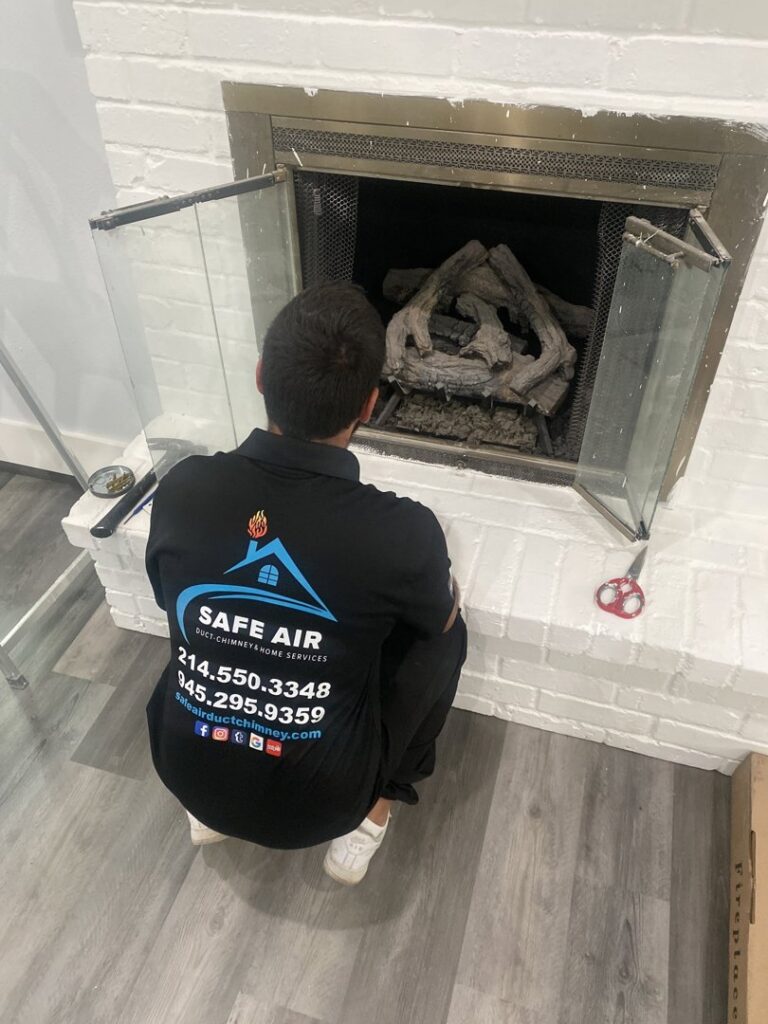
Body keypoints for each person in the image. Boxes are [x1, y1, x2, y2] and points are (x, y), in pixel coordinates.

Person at [145, 281, 466, 885]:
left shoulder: (185, 486)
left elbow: (171, 601)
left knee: (195, 612)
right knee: (444, 631)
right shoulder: (403, 532)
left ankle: (209, 805)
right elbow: (435, 621)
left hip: (182, 768)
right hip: (325, 805)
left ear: (261, 375)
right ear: (370, 405)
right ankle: (373, 816)